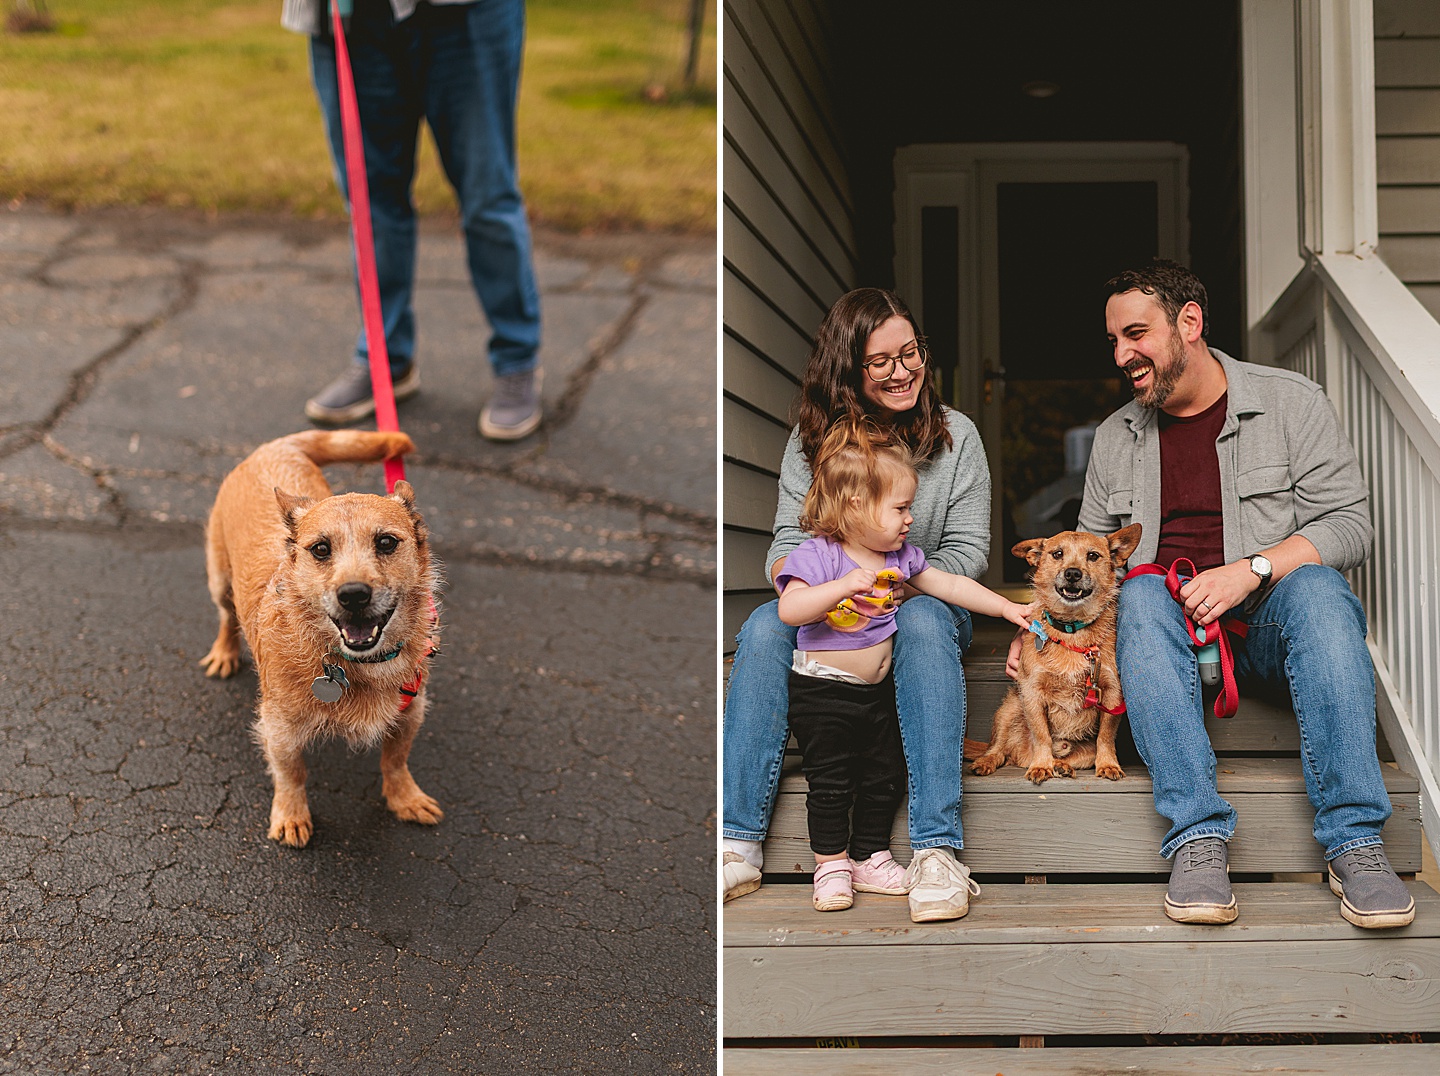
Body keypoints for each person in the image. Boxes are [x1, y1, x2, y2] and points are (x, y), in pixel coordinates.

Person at [1074, 259, 1412, 928]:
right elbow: (1085, 561)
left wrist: (1250, 570)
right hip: (1159, 643)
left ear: (1190, 322)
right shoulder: (1116, 437)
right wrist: (1045, 633)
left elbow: (1350, 524)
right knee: (1139, 597)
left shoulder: (1291, 402)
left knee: (1318, 590)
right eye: (1114, 340)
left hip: (1265, 628)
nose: (1122, 355)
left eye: (1136, 334)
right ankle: (1197, 838)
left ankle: (1356, 843)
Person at [722, 287, 994, 924]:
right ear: (849, 368)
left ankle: (936, 848)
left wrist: (901, 582)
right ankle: (738, 837)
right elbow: (787, 541)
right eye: (882, 361)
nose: (904, 371)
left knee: (926, 621)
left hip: (920, 598)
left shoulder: (959, 437)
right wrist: (826, 584)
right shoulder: (810, 441)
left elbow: (969, 547)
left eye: (912, 353)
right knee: (764, 625)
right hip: (836, 609)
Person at [776, 419, 1032, 913]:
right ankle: (830, 864)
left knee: (884, 776)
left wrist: (1006, 608)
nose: (910, 518)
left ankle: (870, 856)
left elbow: (950, 586)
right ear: (856, 505)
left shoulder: (902, 557)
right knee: (831, 782)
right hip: (822, 693)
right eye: (900, 508)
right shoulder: (819, 555)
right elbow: (790, 610)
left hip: (878, 693)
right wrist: (842, 587)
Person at [283, 0, 544, 441]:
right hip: (349, 17)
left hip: (465, 14)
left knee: (488, 197)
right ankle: (385, 362)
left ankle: (517, 361)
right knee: (370, 204)